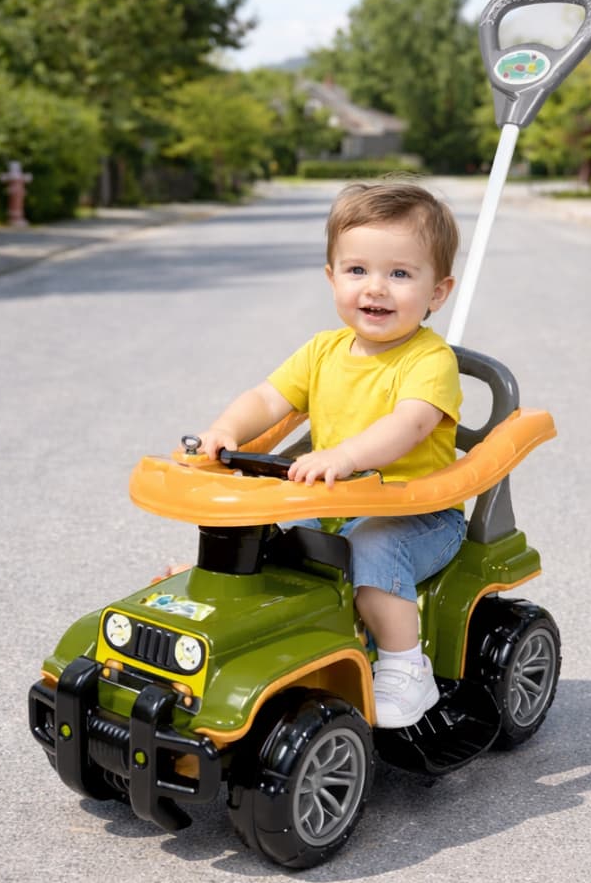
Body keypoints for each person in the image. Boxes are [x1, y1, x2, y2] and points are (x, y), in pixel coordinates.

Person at [192, 180, 465, 728]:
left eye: (401, 274)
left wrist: (343, 455)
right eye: (358, 270)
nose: (377, 288)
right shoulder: (322, 350)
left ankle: (407, 668)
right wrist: (227, 428)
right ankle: (235, 611)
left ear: (438, 292)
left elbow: (407, 425)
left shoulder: (430, 360)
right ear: (332, 277)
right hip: (339, 498)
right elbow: (269, 398)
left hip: (416, 515)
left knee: (373, 544)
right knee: (267, 521)